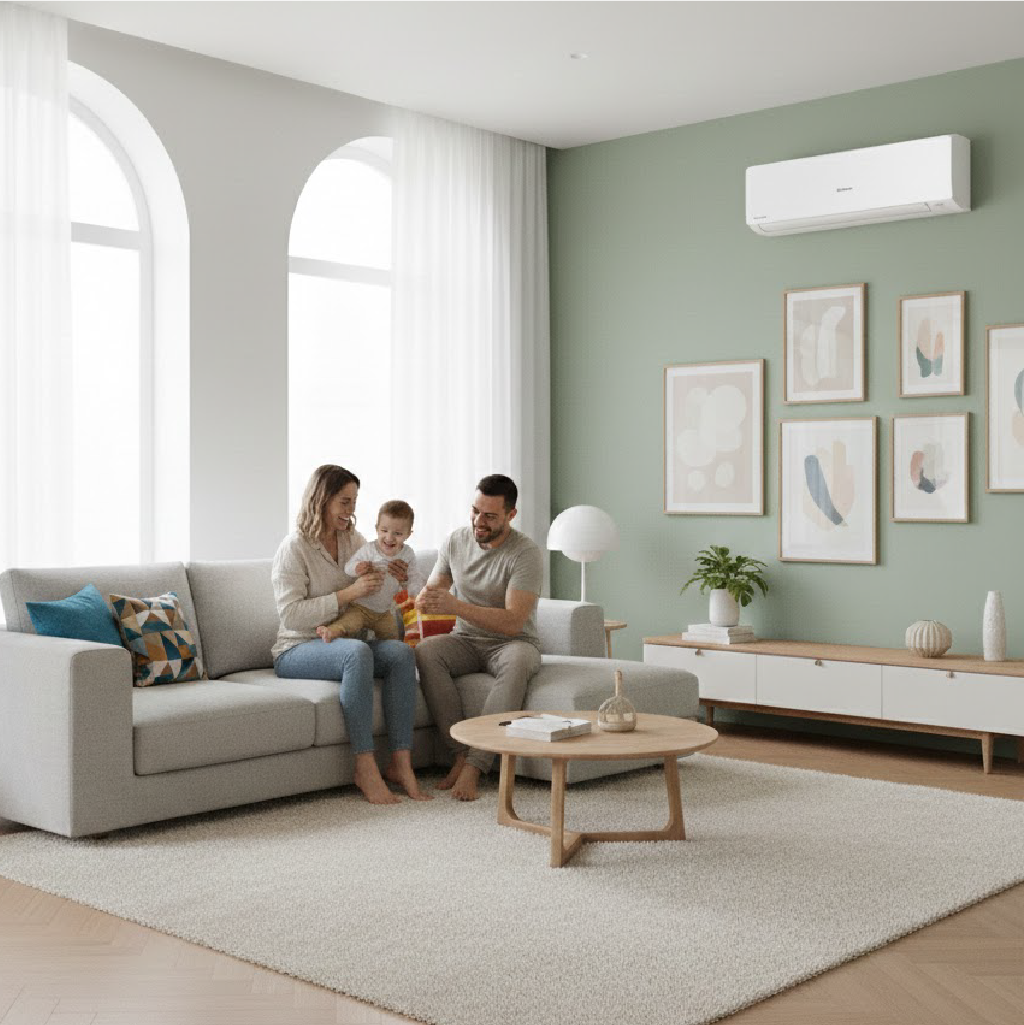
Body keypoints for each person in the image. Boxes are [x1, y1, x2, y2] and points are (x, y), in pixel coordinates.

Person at [271, 465, 431, 805]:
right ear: (322, 500)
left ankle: (401, 763)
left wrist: (399, 579)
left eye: (354, 501)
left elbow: (377, 583)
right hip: (297, 649)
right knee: (356, 653)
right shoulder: (293, 548)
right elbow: (291, 614)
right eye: (345, 501)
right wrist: (347, 595)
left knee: (400, 654)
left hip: (346, 639)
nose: (351, 510)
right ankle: (364, 766)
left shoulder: (353, 541)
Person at [414, 474, 543, 801]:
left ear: (510, 516)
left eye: (489, 516)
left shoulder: (524, 553)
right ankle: (459, 752)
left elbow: (514, 622)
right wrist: (422, 598)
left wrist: (456, 604)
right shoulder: (456, 541)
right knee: (428, 652)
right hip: (466, 641)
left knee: (519, 661)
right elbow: (434, 591)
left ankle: (475, 765)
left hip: (512, 643)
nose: (478, 521)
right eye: (474, 511)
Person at [317, 499, 426, 643]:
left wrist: (407, 583)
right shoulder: (369, 549)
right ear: (377, 528)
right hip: (360, 607)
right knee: (349, 623)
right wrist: (358, 568)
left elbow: (415, 581)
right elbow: (348, 567)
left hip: (384, 612)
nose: (389, 538)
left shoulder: (407, 555)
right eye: (384, 530)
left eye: (398, 533)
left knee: (394, 639)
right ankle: (330, 632)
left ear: (408, 534)